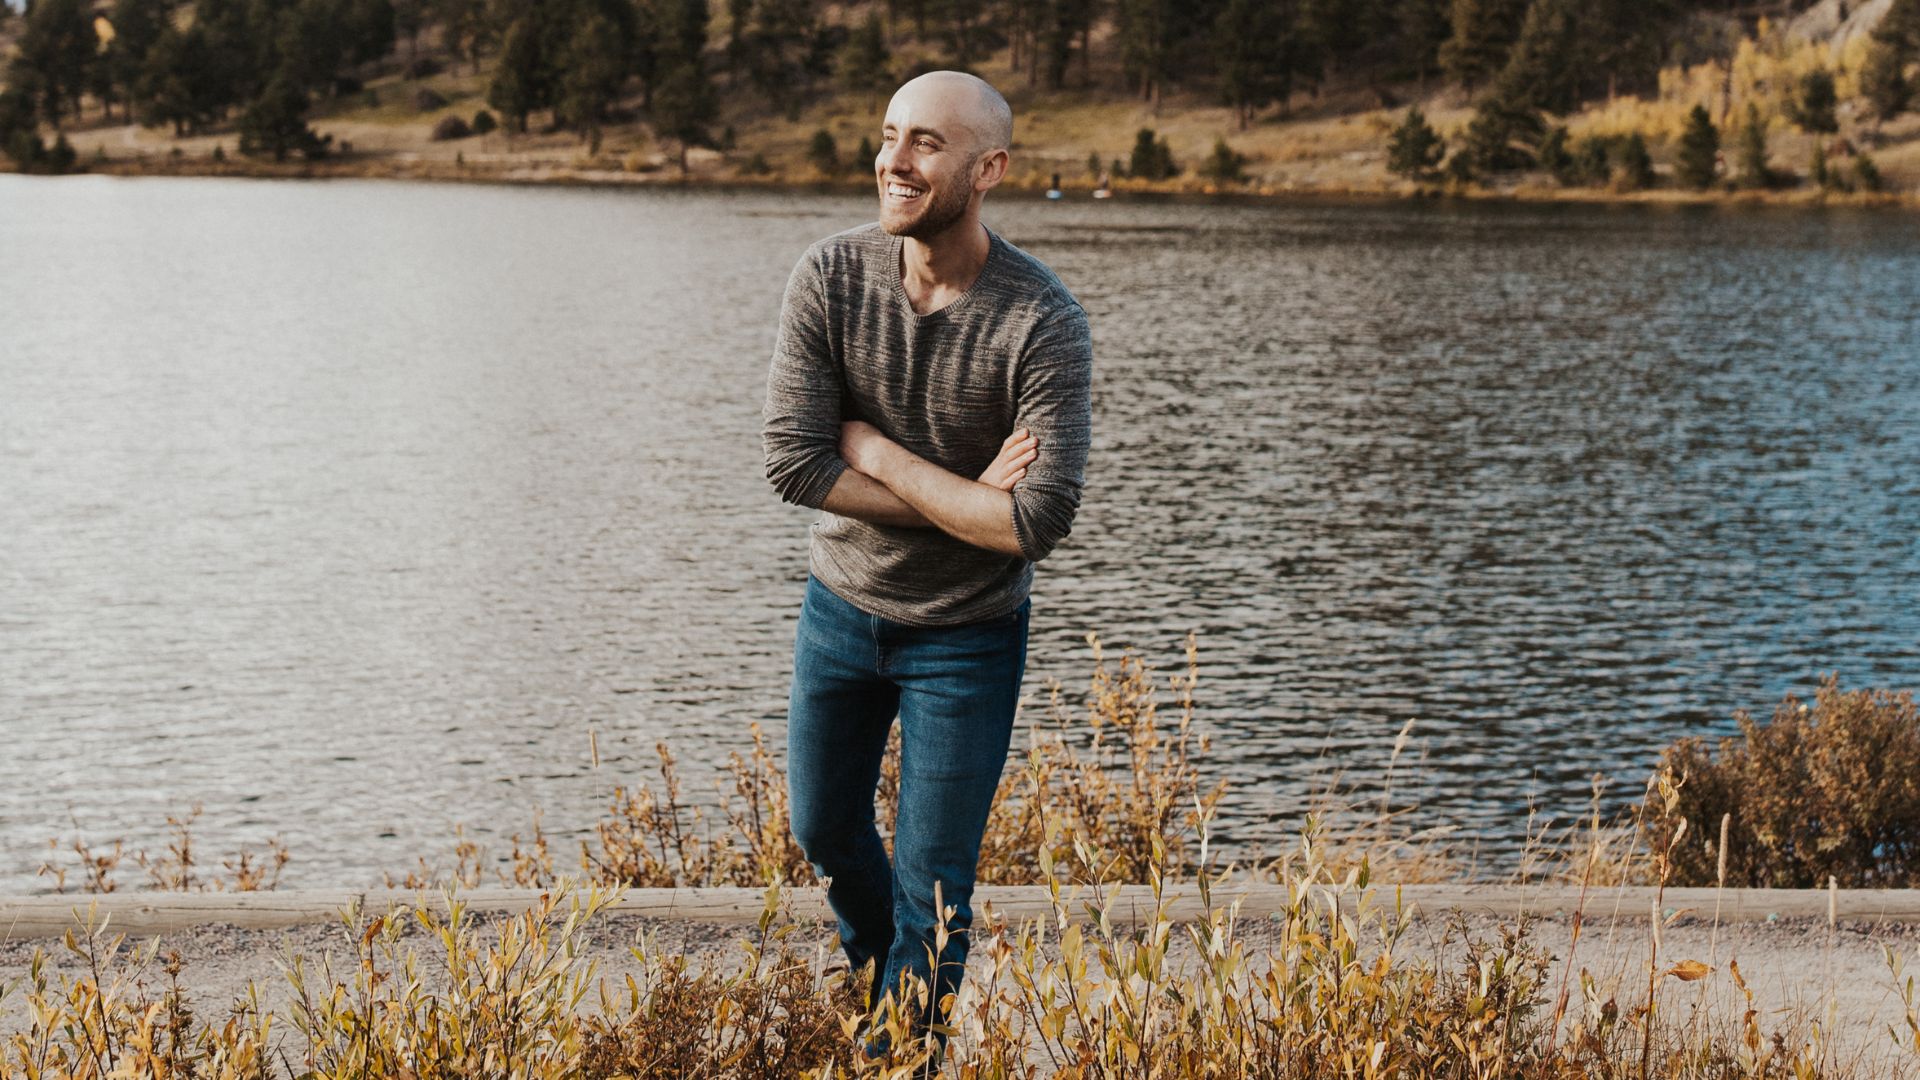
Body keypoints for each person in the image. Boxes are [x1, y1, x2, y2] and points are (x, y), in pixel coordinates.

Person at [760, 70, 1094, 1058]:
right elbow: (790, 463)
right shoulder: (830, 276)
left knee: (936, 879)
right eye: (889, 134)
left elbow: (1035, 520)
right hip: (841, 611)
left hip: (968, 638)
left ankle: (903, 1055)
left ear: (990, 169)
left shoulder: (1043, 321)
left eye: (927, 144)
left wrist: (872, 451)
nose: (893, 162)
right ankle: (877, 975)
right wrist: (966, 498)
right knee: (822, 828)